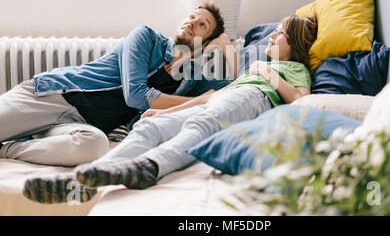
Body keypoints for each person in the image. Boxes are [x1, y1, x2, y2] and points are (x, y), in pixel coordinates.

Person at [22, 13, 318, 204]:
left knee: (201, 127)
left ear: (295, 45)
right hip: (229, 99)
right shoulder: (256, 66)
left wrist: (269, 75)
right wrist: (165, 112)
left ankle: (151, 168)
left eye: (280, 34)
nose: (273, 37)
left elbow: (303, 100)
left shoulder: (292, 69)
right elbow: (212, 97)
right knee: (150, 127)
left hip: (252, 98)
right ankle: (85, 179)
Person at [0, 1, 235, 167]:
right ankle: (27, 131)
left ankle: (8, 149)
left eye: (202, 24)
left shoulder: (193, 79)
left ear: (206, 45)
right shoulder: (146, 38)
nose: (192, 22)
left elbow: (240, 91)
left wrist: (229, 50)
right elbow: (135, 96)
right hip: (51, 97)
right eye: (191, 16)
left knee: (94, 146)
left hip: (80, 124)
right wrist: (199, 101)